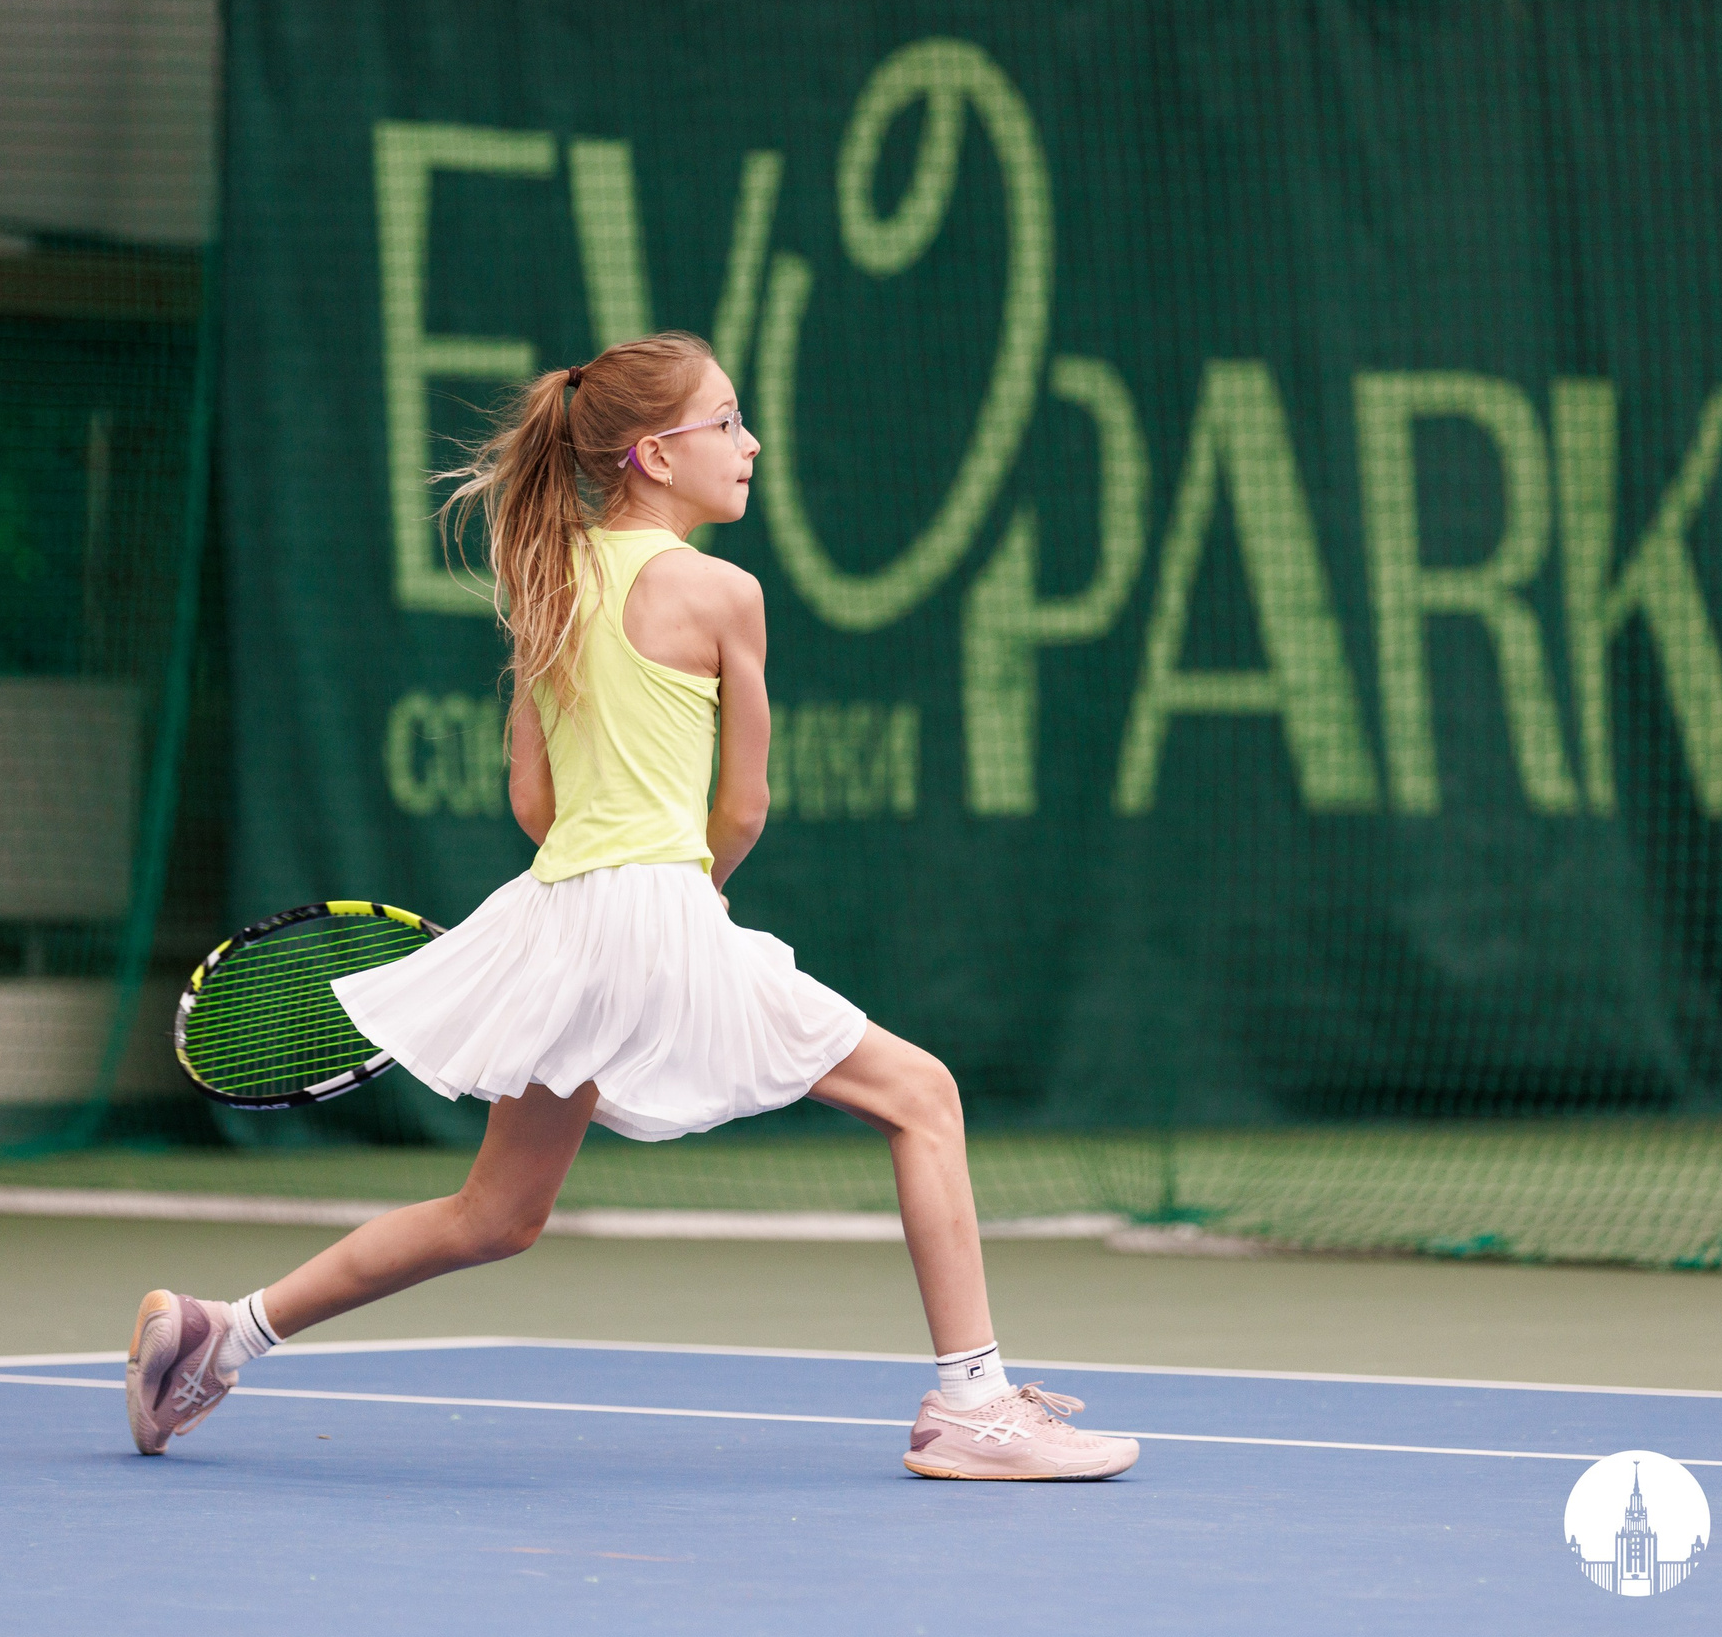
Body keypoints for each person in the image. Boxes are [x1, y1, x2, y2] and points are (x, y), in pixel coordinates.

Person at [125, 330, 1136, 1482]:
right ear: (655, 453)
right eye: (727, 421)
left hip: (556, 914)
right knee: (923, 1097)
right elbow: (743, 807)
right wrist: (675, 912)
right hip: (650, 909)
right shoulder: (723, 593)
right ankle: (973, 1405)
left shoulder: (543, 582)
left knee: (495, 1214)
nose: (749, 444)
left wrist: (610, 913)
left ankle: (222, 1333)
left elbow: (532, 800)